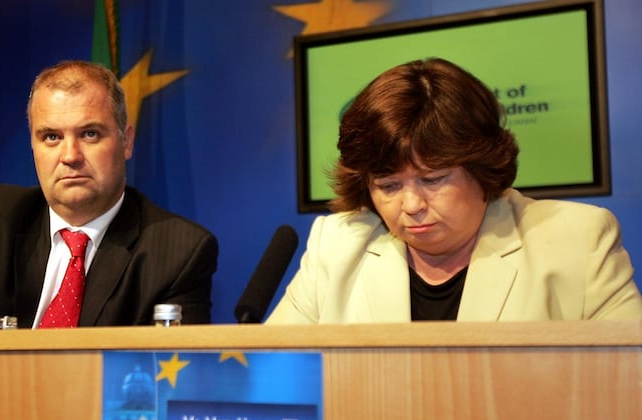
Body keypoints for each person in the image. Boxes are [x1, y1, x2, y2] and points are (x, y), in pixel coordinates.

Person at [266, 57, 642, 324]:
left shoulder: (577, 241)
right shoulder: (335, 244)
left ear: (483, 169)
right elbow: (280, 380)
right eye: (388, 185)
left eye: (432, 179)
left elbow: (630, 381)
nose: (411, 205)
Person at [0, 60, 218, 330]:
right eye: (51, 137)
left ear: (126, 141)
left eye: (90, 134)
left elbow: (175, 380)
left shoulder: (177, 251)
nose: (70, 155)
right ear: (33, 146)